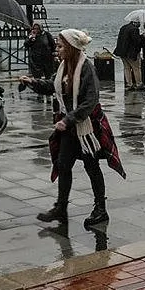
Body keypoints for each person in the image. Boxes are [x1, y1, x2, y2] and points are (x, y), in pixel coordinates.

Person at [21, 29, 125, 228]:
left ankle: (101, 209)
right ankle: (61, 208)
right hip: (70, 127)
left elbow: (90, 101)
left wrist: (68, 120)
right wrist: (33, 82)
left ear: (71, 47)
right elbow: (53, 85)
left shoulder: (86, 68)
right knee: (63, 164)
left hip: (86, 127)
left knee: (91, 166)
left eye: (60, 46)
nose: (57, 50)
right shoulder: (63, 67)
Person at [113, 19, 143, 90]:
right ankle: (139, 84)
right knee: (136, 68)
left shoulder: (123, 27)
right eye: (139, 23)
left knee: (127, 68)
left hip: (122, 52)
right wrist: (141, 37)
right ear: (136, 22)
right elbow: (137, 42)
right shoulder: (134, 29)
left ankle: (129, 84)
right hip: (131, 53)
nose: (140, 24)